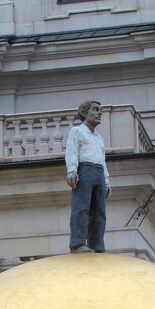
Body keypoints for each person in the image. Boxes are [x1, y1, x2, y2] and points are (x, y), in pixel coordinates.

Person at [65, 99, 110, 253]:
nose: (100, 113)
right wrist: (72, 170)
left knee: (99, 212)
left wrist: (106, 181)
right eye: (95, 109)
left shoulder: (99, 138)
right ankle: (77, 243)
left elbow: (103, 160)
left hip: (98, 171)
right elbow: (72, 151)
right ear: (85, 113)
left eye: (100, 110)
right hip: (84, 169)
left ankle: (97, 245)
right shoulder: (77, 131)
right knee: (81, 207)